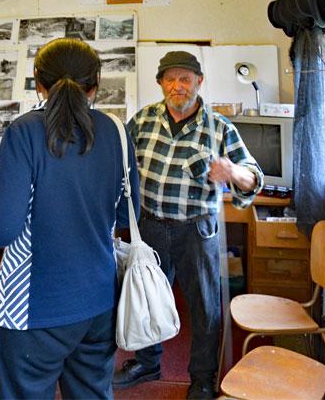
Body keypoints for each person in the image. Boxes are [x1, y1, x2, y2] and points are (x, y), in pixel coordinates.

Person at [0, 38, 140, 400]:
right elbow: (126, 213)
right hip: (99, 300)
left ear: (38, 82)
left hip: (33, 308)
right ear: (95, 85)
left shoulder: (24, 132)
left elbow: (0, 231)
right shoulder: (117, 131)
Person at [113, 51, 264, 399]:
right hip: (149, 227)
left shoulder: (220, 127)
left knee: (205, 307)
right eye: (170, 79)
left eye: (185, 79)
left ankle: (202, 378)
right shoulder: (143, 120)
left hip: (197, 231)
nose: (177, 86)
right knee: (146, 298)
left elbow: (253, 177)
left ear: (199, 82)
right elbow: (118, 160)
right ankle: (148, 362)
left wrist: (232, 173)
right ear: (161, 83)